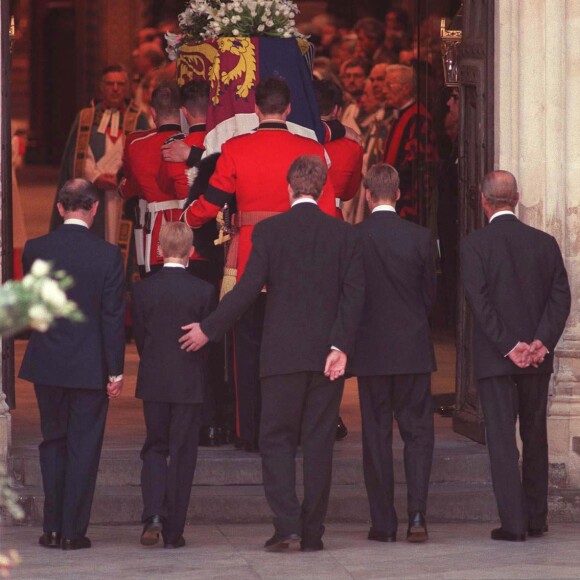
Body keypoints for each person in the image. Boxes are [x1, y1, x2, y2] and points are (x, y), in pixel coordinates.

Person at [179, 155, 365, 552]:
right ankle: (313, 532)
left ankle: (287, 525)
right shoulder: (344, 235)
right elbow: (354, 298)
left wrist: (208, 329)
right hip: (327, 358)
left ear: (289, 187)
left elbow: (246, 292)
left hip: (280, 355)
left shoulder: (269, 233)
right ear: (321, 188)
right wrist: (341, 347)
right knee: (317, 445)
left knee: (276, 440)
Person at [182, 77, 337, 453]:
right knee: (297, 346)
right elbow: (329, 212)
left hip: (249, 256)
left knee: (247, 347)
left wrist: (187, 219)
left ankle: (250, 431)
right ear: (287, 110)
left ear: (255, 109)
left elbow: (213, 200)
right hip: (300, 259)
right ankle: (294, 430)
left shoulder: (236, 148)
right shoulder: (311, 148)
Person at [460, 170, 571, 542]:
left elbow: (479, 302)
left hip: (497, 361)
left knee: (503, 441)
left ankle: (514, 523)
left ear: (483, 200)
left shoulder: (475, 245)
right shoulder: (545, 242)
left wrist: (509, 346)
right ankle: (537, 518)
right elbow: (561, 297)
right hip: (537, 360)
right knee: (535, 435)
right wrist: (540, 342)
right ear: (518, 198)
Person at [19, 179, 125, 550]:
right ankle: (72, 532)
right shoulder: (109, 255)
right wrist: (116, 370)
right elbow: (112, 317)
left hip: (47, 362)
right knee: (84, 447)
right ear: (94, 208)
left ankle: (51, 528)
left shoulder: (35, 249)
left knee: (53, 443)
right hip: (89, 366)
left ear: (60, 208)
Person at [352, 163, 436, 544]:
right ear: (398, 193)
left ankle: (382, 523)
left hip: (371, 352)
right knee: (418, 434)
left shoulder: (353, 237)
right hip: (413, 349)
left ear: (368, 194)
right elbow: (430, 297)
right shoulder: (420, 237)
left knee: (376, 437)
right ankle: (417, 514)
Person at [132, 222, 215, 549]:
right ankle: (174, 531)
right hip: (188, 382)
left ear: (159, 250)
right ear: (191, 252)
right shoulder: (203, 291)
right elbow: (206, 343)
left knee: (154, 446)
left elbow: (140, 336)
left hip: (154, 379)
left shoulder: (143, 289)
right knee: (183, 453)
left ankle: (153, 514)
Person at [50, 64, 149, 242]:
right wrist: (95, 177)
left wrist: (122, 177)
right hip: (93, 191)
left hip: (125, 195)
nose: (115, 89)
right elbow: (77, 155)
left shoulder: (138, 118)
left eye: (120, 84)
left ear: (127, 88)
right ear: (101, 87)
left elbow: (146, 157)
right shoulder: (85, 117)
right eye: (110, 84)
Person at [119, 81, 187, 276]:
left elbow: (130, 188)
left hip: (157, 230)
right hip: (191, 228)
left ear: (154, 113)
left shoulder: (136, 143)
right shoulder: (194, 142)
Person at [382, 65, 438, 223]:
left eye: (389, 85)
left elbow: (417, 166)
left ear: (406, 88)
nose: (384, 90)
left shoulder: (418, 118)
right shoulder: (402, 115)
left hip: (409, 203)